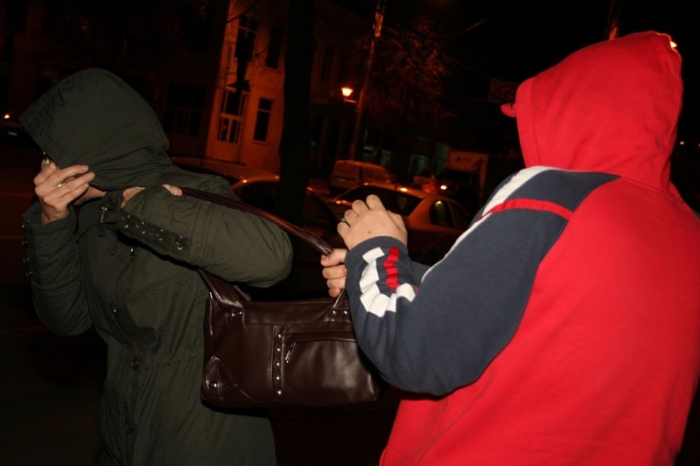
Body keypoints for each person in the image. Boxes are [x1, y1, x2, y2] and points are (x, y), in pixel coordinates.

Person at [321, 31, 700, 464]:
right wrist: (393, 276)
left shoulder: (549, 196)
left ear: (574, 110)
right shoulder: (688, 233)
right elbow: (549, 314)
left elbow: (416, 352)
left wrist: (375, 249)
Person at [20, 68, 293, 465]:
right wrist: (51, 224)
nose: (44, 167)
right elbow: (67, 319)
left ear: (93, 149)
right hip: (123, 441)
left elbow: (273, 258)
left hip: (204, 446)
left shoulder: (196, 192)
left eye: (52, 154)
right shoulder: (92, 215)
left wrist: (144, 206)